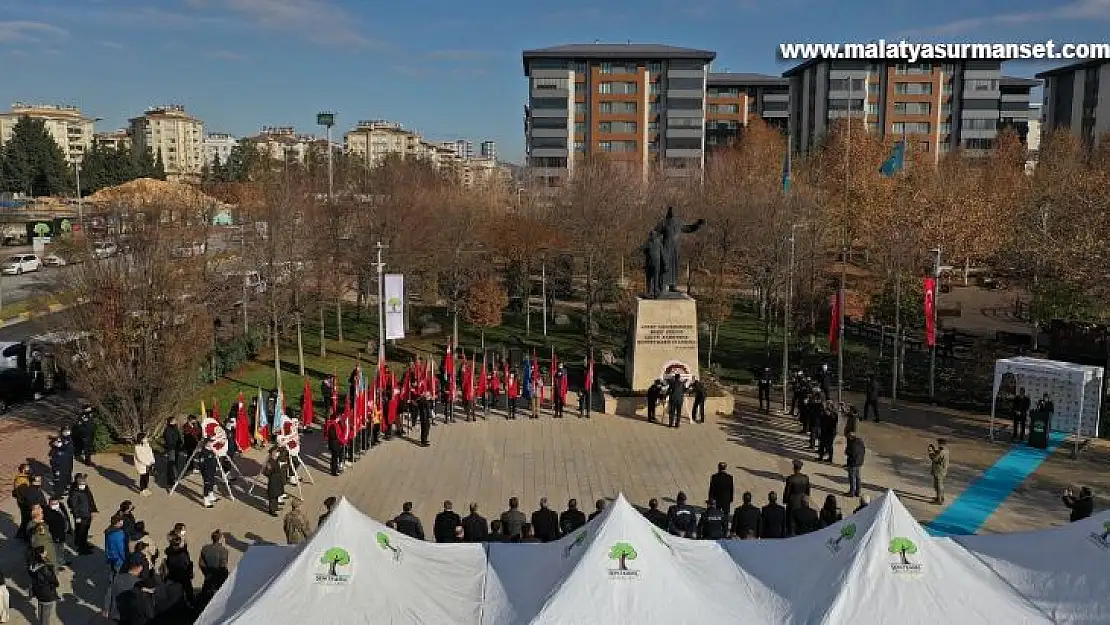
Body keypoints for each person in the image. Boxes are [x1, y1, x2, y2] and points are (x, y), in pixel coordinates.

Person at [103, 557, 142, 621]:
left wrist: (106, 609)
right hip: (128, 616)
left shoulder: (117, 578)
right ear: (136, 568)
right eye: (140, 570)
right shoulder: (137, 582)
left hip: (114, 613)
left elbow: (109, 593)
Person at [28, 546, 59, 625]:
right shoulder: (45, 568)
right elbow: (53, 580)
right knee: (46, 614)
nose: (46, 552)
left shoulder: (32, 565)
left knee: (41, 610)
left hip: (38, 591)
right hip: (47, 593)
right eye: (44, 551)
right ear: (41, 555)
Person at [68, 474, 97, 555]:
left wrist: (93, 510)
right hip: (81, 515)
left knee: (84, 531)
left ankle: (82, 543)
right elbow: (74, 506)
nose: (85, 484)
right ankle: (81, 548)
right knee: (82, 532)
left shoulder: (85, 490)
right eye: (83, 483)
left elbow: (90, 500)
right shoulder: (75, 492)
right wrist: (77, 516)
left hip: (87, 513)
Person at [164, 534, 195, 607]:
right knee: (188, 588)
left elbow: (167, 563)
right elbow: (187, 563)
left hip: (172, 574)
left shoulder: (169, 552)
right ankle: (191, 602)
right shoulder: (182, 553)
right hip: (182, 574)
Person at [199, 530, 230, 601]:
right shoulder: (223, 550)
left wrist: (207, 574)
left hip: (208, 577)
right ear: (220, 539)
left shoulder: (205, 548)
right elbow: (223, 566)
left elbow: (201, 564)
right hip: (219, 578)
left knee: (205, 597)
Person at [262, 447, 285, 517]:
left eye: (276, 451)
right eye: (275, 452)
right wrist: (271, 474)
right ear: (272, 453)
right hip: (273, 480)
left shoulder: (276, 459)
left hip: (277, 480)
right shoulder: (270, 462)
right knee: (272, 496)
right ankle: (272, 510)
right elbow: (265, 472)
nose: (276, 453)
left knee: (277, 494)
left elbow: (282, 451)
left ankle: (276, 507)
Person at [12, 464, 32, 541]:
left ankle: (20, 533)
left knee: (25, 518)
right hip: (24, 503)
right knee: (26, 519)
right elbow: (24, 494)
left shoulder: (23, 478)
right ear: (23, 470)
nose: (29, 470)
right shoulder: (21, 480)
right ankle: (25, 536)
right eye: (28, 469)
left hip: (22, 501)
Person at [162, 416, 183, 490]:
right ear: (171, 422)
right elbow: (169, 440)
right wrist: (174, 445)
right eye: (174, 421)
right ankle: (171, 480)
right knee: (171, 464)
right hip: (171, 449)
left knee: (175, 463)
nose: (176, 422)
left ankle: (174, 478)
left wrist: (180, 443)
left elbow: (178, 437)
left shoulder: (175, 428)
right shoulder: (168, 430)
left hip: (176, 448)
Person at [928, 438, 950, 505]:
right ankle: (940, 497)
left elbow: (935, 459)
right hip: (942, 470)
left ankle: (939, 500)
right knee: (940, 485)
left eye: (938, 443)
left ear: (940, 443)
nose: (938, 444)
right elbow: (938, 453)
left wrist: (930, 452)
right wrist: (934, 449)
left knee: (938, 485)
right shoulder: (946, 450)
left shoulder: (942, 451)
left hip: (939, 471)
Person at [845, 432, 866, 498]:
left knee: (852, 478)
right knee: (858, 478)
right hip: (859, 463)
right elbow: (863, 451)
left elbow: (848, 452)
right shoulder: (861, 442)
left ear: (851, 437)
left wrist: (847, 451)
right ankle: (858, 492)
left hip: (853, 463)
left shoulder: (852, 444)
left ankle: (852, 492)